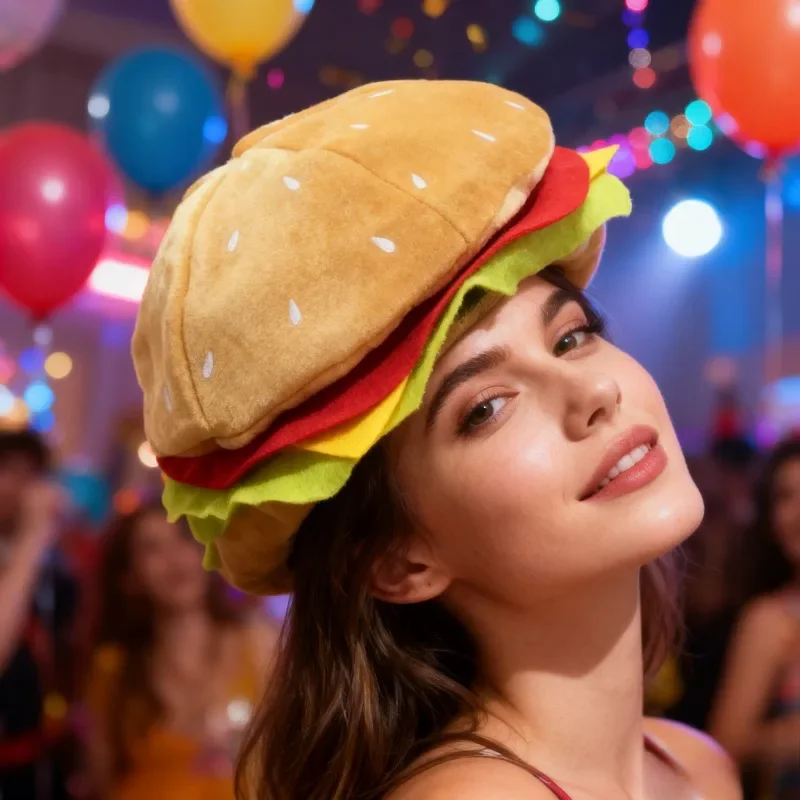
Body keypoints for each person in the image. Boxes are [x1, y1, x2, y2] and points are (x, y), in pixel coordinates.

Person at [132, 81, 742, 799]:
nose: (592, 393)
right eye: (485, 408)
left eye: (572, 336)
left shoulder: (694, 765)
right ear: (395, 559)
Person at [85, 503, 278, 800]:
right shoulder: (113, 668)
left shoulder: (258, 643)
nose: (175, 559)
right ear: (130, 577)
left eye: (184, 538)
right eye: (153, 548)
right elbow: (100, 781)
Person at [710, 438, 800, 798]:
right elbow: (722, 750)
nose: (798, 512)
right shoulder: (770, 619)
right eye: (785, 497)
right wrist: (786, 735)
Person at [0, 429, 76, 800]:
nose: (22, 487)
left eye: (32, 474)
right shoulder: (28, 554)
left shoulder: (52, 567)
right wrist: (32, 537)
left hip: (37, 766)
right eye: (7, 471)